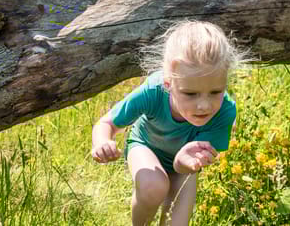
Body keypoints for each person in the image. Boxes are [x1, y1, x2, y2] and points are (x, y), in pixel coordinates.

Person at [90, 20, 249, 226]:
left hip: (185, 164)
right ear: (168, 83)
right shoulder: (154, 91)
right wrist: (102, 142)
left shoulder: (225, 111)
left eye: (215, 92)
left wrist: (184, 162)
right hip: (146, 146)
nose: (204, 105)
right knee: (153, 186)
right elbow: (107, 124)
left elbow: (185, 165)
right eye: (190, 94)